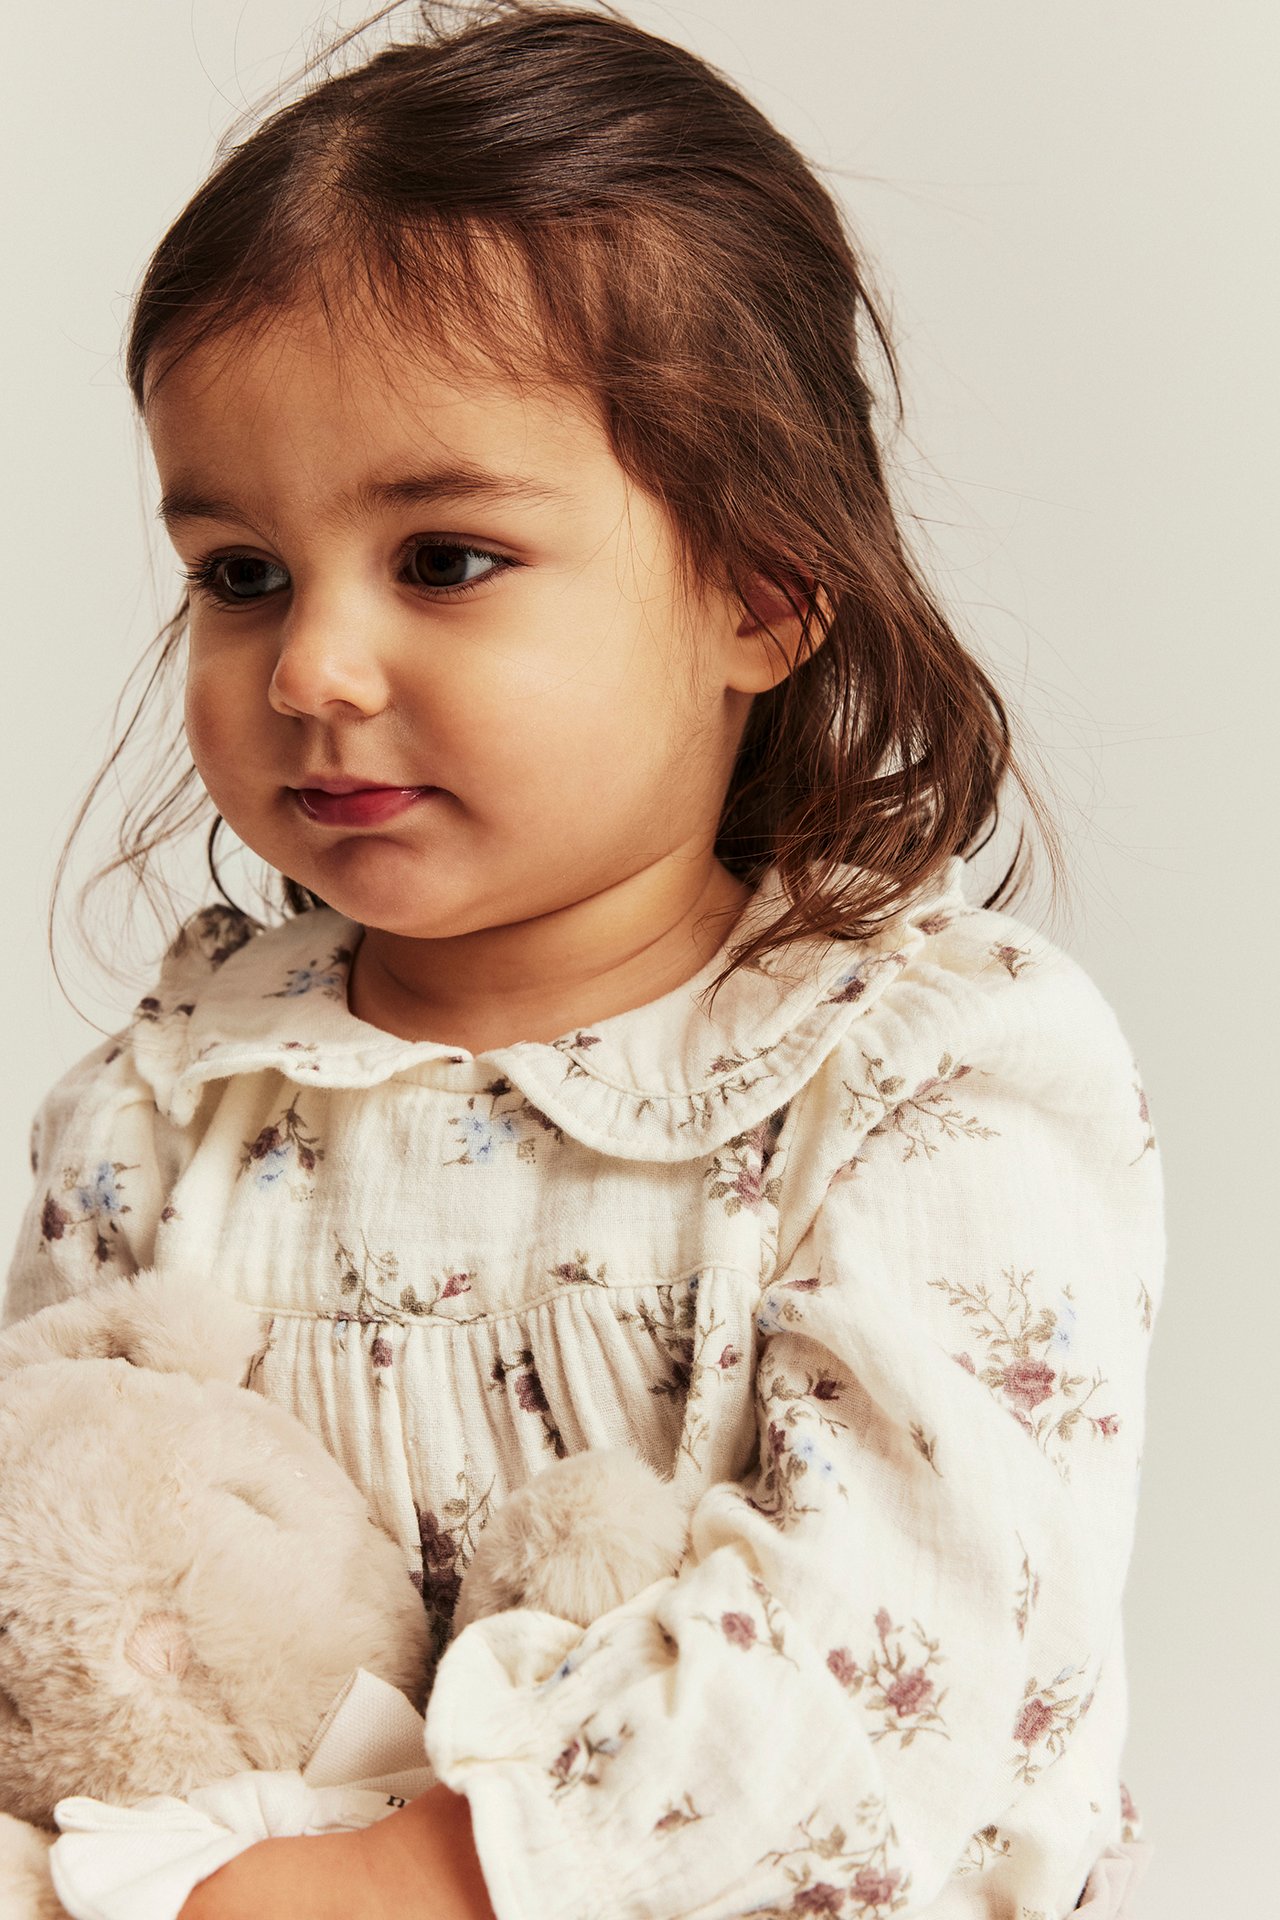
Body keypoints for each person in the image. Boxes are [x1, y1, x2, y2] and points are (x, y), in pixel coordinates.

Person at [2, 3, 1164, 1915]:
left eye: (444, 557)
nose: (309, 670)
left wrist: (400, 1884)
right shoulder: (163, 1109)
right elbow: (48, 1601)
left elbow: (921, 1681)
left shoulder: (925, 1075)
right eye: (239, 572)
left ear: (761, 586)